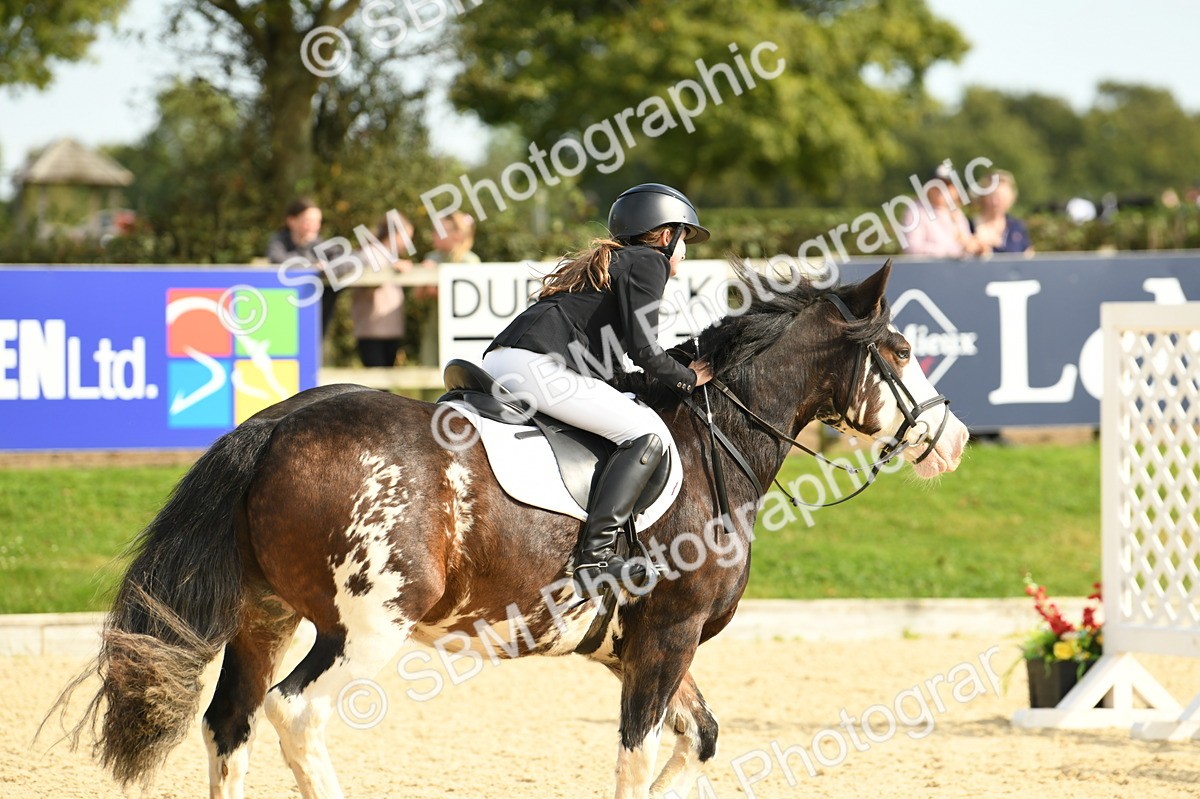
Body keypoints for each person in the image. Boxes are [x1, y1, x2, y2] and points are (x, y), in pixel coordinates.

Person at [481, 183, 712, 597]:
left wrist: (660, 376)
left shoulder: (619, 263)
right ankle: (595, 559)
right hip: (536, 365)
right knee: (647, 435)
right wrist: (687, 377)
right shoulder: (649, 262)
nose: (684, 251)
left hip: (504, 359)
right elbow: (645, 349)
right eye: (683, 239)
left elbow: (612, 374)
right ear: (664, 236)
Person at [414, 211, 481, 367]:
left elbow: (466, 300)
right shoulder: (432, 257)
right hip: (434, 329)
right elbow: (418, 296)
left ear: (457, 235)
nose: (433, 235)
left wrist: (434, 288)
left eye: (439, 231)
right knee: (429, 369)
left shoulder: (469, 261)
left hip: (461, 332)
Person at [350, 214, 415, 367]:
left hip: (390, 330)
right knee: (377, 386)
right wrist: (391, 269)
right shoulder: (368, 253)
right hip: (371, 331)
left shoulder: (393, 257)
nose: (408, 243)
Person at [266, 198, 337, 335]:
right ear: (291, 221)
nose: (314, 226)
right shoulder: (278, 242)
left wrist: (330, 270)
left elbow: (348, 259)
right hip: (283, 315)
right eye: (308, 221)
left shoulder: (323, 246)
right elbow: (277, 259)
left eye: (318, 222)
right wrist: (311, 266)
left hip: (318, 318)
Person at [901, 163, 985, 259]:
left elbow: (965, 245)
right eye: (937, 184)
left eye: (947, 184)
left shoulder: (957, 214)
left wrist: (977, 248)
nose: (942, 189)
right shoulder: (915, 211)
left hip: (953, 272)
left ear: (956, 190)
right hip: (926, 272)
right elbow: (912, 249)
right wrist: (954, 250)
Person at [971, 170, 1033, 255]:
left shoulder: (1017, 227)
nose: (996, 202)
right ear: (983, 197)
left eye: (1002, 197)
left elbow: (1028, 257)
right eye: (992, 196)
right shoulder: (967, 226)